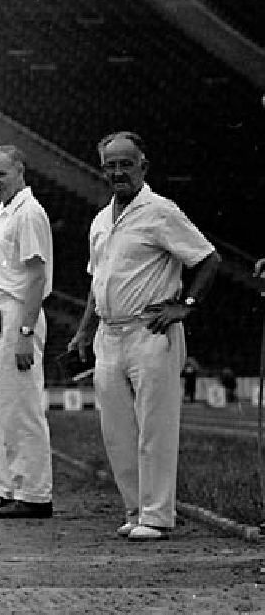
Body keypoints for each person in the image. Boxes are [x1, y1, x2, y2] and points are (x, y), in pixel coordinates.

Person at [68, 131, 220, 541]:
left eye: (126, 163)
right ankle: (135, 509)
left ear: (142, 167)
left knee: (155, 426)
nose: (118, 172)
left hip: (151, 330)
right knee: (116, 430)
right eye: (111, 165)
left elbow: (208, 259)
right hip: (108, 334)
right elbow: (96, 279)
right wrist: (84, 330)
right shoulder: (102, 220)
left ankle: (156, 515)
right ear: (102, 170)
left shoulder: (160, 211)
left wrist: (184, 305)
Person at [0, 145, 54, 519]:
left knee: (20, 405)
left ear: (19, 171)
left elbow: (36, 275)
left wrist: (24, 331)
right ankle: (9, 487)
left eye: (0, 174)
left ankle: (34, 494)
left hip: (14, 314)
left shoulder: (29, 213)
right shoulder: (5, 212)